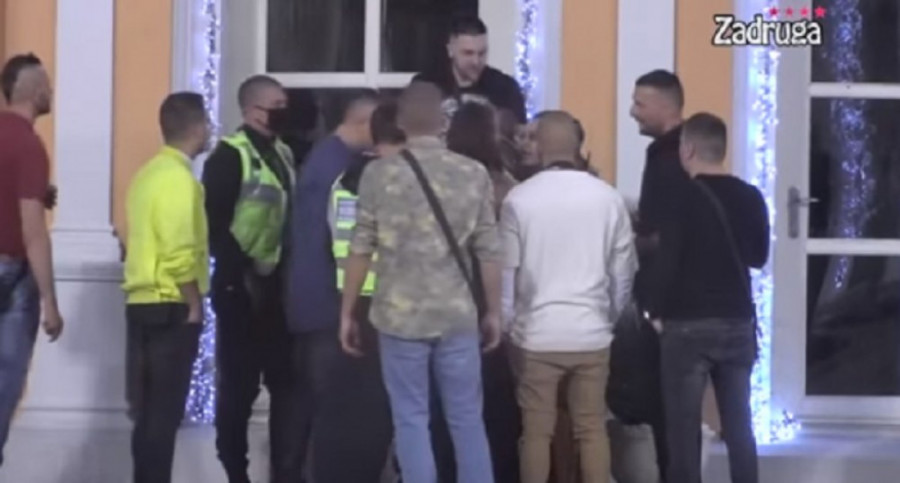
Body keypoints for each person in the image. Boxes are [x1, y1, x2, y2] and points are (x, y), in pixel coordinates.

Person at [339, 80, 502, 483]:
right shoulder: (473, 174)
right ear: (443, 122)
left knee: (411, 419)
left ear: (400, 122)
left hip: (399, 317)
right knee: (467, 419)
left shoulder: (379, 174)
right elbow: (488, 250)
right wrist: (494, 311)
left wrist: (347, 312)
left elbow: (360, 248)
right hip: (456, 314)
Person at [500, 111, 636, 483]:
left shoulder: (519, 199)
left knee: (536, 433)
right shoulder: (608, 198)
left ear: (540, 145)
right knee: (591, 429)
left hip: (536, 335)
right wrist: (608, 317)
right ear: (577, 146)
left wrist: (508, 325)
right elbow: (622, 271)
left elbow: (507, 272)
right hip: (591, 333)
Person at [648, 113, 767, 483]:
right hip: (737, 320)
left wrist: (654, 309)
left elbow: (667, 260)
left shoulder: (679, 197)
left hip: (687, 324)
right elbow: (758, 257)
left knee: (683, 432)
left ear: (688, 150)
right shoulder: (751, 196)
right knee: (739, 427)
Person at [202, 75, 301, 483]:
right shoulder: (230, 155)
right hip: (238, 287)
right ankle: (236, 472)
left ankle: (284, 471)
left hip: (276, 286)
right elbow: (214, 224)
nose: (282, 112)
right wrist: (240, 272)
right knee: (238, 390)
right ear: (251, 110)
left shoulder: (283, 152)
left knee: (286, 385)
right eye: (275, 106)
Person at [287, 89, 382, 482]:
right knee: (333, 412)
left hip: (314, 303)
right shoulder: (341, 171)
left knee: (321, 409)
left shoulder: (325, 159)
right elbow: (335, 243)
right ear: (364, 122)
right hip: (327, 305)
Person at [122, 92, 210, 483]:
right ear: (198, 127)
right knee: (164, 414)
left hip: (141, 301)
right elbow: (178, 250)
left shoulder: (147, 175)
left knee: (146, 414)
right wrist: (194, 303)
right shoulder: (179, 180)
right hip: (170, 304)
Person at [606, 69, 687, 483]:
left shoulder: (668, 160)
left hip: (665, 301)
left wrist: (628, 241)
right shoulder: (677, 153)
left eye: (640, 103)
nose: (632, 112)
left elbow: (668, 233)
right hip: (672, 297)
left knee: (662, 402)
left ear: (664, 106)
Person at [0, 53, 63, 467]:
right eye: (48, 84)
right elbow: (33, 231)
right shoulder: (28, 145)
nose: (52, 91)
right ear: (36, 91)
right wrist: (50, 303)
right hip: (11, 272)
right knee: (5, 383)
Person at [414, 15, 527, 128]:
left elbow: (518, 133)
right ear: (450, 50)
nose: (476, 61)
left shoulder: (505, 88)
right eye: (468, 53)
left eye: (482, 53)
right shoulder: (425, 86)